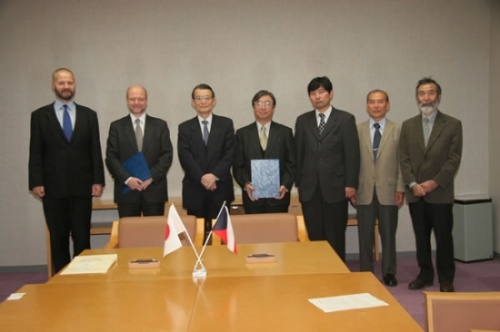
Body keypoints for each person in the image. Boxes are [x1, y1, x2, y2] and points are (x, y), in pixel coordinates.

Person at [28, 68, 105, 274]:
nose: (66, 87)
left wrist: (98, 180)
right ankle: (61, 282)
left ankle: (84, 278)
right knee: (58, 238)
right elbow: (35, 151)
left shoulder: (89, 115)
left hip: (82, 187)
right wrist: (36, 181)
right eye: (61, 83)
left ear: (74, 85)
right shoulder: (39, 116)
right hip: (52, 189)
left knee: (82, 237)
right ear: (53, 85)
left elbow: (95, 150)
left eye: (69, 83)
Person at [399, 77, 463, 292]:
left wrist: (434, 182)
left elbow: (453, 159)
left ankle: (446, 279)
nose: (426, 98)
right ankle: (425, 274)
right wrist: (413, 184)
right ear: (417, 97)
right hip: (416, 193)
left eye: (431, 93)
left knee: (444, 237)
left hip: (440, 193)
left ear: (438, 96)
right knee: (421, 238)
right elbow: (404, 158)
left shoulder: (453, 124)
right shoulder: (408, 126)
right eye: (422, 94)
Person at [295, 76, 360, 261]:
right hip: (310, 189)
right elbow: (299, 153)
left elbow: (352, 154)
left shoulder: (345, 119)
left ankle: (338, 273)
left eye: (321, 92)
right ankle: (319, 271)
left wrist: (351, 184)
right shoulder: (302, 120)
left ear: (331, 94)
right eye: (313, 93)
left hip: (337, 187)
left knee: (335, 234)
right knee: (315, 234)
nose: (317, 96)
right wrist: (299, 183)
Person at [353, 89, 404, 286]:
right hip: (364, 190)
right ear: (367, 106)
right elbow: (352, 161)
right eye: (372, 102)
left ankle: (389, 273)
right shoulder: (357, 130)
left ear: (388, 105)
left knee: (389, 234)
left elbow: (403, 162)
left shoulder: (398, 130)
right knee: (364, 235)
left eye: (380, 102)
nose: (376, 105)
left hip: (389, 191)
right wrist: (353, 187)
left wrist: (400, 188)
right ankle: (366, 271)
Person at [105, 85, 173, 217]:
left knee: (154, 235)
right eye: (132, 99)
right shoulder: (116, 127)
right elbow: (111, 157)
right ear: (127, 101)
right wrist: (128, 179)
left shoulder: (160, 125)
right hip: (127, 191)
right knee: (130, 235)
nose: (136, 102)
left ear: (146, 101)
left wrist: (150, 177)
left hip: (154, 190)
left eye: (140, 99)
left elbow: (167, 155)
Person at [178, 83, 236, 236]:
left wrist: (213, 176)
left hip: (220, 187)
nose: (203, 102)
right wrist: (203, 177)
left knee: (221, 237)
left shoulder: (226, 124)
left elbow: (230, 153)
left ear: (214, 101)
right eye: (199, 98)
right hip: (195, 189)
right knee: (197, 236)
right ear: (193, 102)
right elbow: (185, 156)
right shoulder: (184, 128)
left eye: (207, 98)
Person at [234, 90, 295, 213]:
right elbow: (237, 166)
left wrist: (285, 185)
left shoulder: (285, 132)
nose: (263, 107)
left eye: (267, 103)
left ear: (273, 108)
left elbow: (292, 163)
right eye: (259, 103)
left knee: (278, 232)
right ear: (253, 107)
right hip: (252, 197)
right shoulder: (242, 134)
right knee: (254, 232)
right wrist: (246, 184)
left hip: (278, 196)